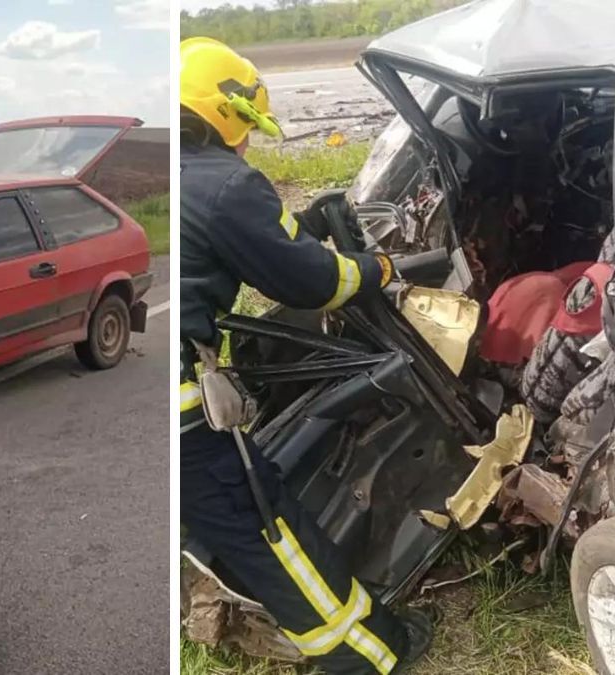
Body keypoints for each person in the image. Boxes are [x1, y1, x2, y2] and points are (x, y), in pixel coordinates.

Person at [179, 37, 433, 675]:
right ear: (228, 113)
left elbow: (261, 243)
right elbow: (315, 283)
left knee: (221, 521)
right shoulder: (224, 183)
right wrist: (375, 268)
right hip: (181, 417)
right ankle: (367, 653)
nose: (245, 146)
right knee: (267, 525)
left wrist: (304, 232)